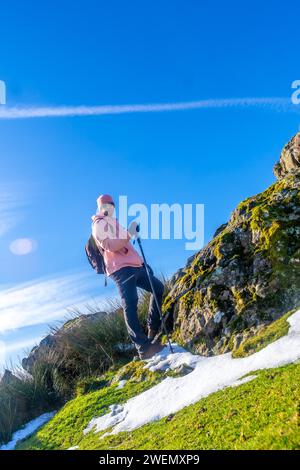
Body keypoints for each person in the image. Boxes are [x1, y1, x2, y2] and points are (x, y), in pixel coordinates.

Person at [91, 194, 165, 360]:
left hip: (135, 266)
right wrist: (129, 233)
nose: (110, 207)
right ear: (100, 207)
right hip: (120, 270)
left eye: (111, 204)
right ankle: (143, 348)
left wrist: (141, 263)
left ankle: (152, 329)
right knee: (130, 304)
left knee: (158, 288)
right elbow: (110, 245)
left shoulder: (114, 223)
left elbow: (126, 248)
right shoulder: (99, 224)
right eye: (106, 204)